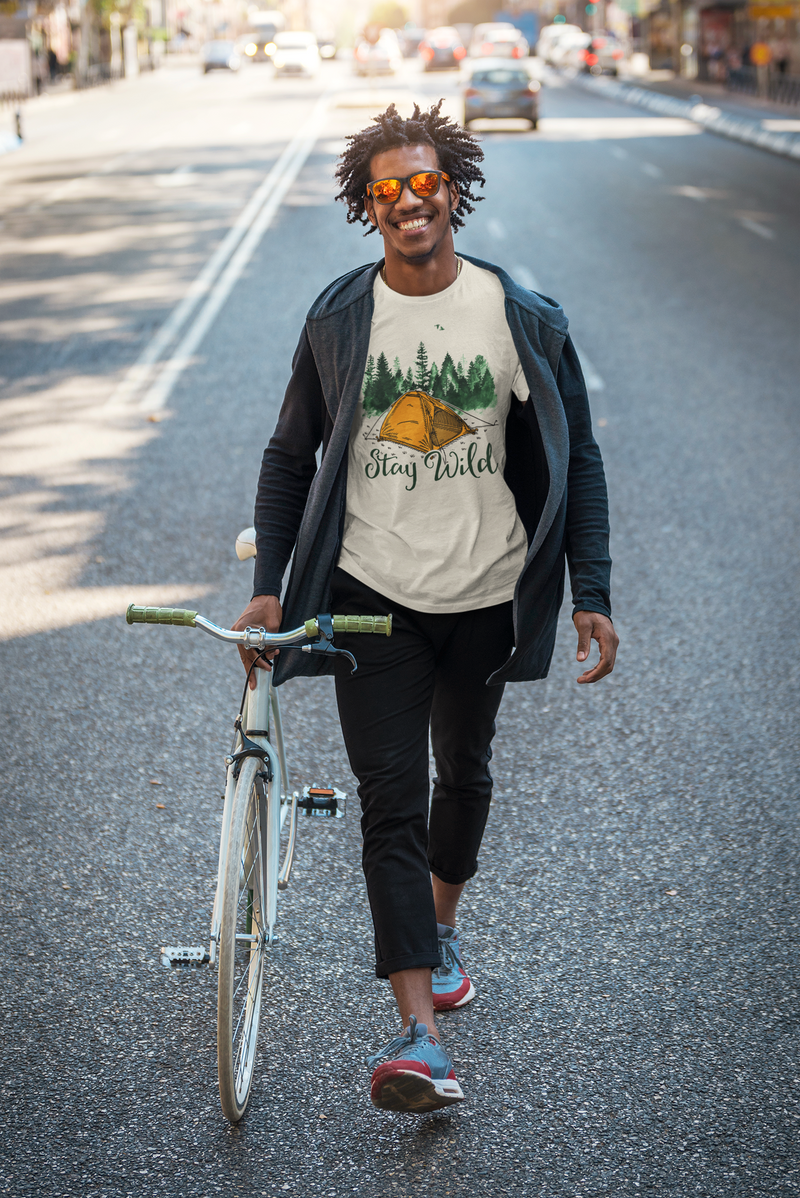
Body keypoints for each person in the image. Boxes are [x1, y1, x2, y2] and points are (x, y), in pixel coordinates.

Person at [233, 101, 618, 1115]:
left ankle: (440, 927)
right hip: (372, 599)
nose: (409, 202)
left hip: (488, 592)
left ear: (453, 190)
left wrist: (592, 591)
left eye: (424, 183)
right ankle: (418, 1032)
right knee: (390, 800)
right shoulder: (337, 317)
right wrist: (273, 580)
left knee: (466, 776)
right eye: (387, 189)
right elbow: (289, 455)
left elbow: (576, 455)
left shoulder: (517, 316)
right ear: (368, 207)